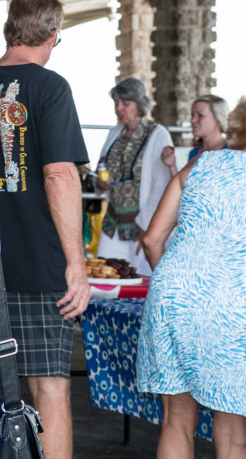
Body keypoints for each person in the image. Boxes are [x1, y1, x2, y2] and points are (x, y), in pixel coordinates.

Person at [0, 0, 90, 459]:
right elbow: (60, 174)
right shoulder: (51, 88)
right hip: (37, 264)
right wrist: (77, 263)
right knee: (49, 388)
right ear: (52, 33)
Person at [137, 97, 246, 459]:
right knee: (233, 433)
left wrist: (179, 286)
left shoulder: (199, 165)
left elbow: (152, 240)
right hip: (233, 305)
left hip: (174, 296)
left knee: (177, 420)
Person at [95, 77, 172, 277]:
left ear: (139, 105)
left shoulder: (157, 134)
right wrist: (101, 183)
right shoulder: (114, 134)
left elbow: (162, 185)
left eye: (125, 104)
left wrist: (147, 226)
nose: (119, 108)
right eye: (116, 103)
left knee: (139, 279)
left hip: (142, 225)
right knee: (105, 274)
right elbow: (101, 167)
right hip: (113, 221)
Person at [160, 94, 229, 177]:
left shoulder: (233, 150)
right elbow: (184, 187)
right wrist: (172, 166)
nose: (193, 120)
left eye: (200, 115)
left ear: (218, 118)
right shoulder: (194, 153)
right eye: (192, 115)